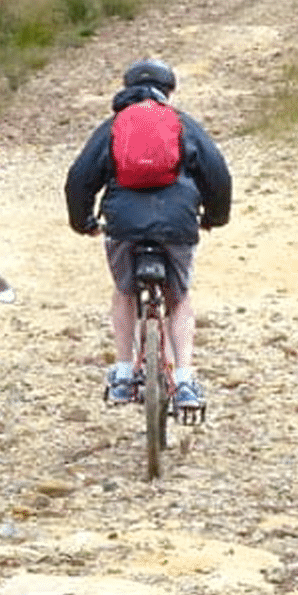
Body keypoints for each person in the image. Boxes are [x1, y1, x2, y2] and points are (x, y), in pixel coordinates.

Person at [64, 59, 231, 409]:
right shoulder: (181, 124)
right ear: (168, 91)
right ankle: (185, 380)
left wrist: (84, 223)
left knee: (124, 291)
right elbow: (217, 174)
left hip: (123, 223)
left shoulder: (114, 126)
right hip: (179, 221)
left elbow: (79, 178)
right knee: (179, 297)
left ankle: (124, 373)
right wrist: (214, 217)